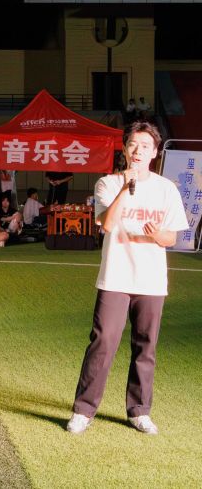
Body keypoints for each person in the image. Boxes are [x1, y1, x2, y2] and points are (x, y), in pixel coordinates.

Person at [67, 122, 188, 436]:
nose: (138, 151)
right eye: (133, 144)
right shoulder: (107, 183)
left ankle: (139, 411)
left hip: (151, 281)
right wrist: (125, 188)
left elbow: (171, 237)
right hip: (115, 277)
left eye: (145, 146)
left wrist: (157, 234)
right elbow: (107, 224)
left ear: (155, 152)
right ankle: (83, 410)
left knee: (146, 346)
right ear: (124, 148)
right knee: (103, 342)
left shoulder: (166, 189)